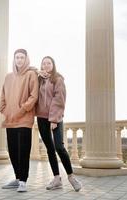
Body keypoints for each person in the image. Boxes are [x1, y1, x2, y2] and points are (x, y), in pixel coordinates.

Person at [36, 56, 82, 192]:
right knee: (49, 149)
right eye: (43, 63)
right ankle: (57, 179)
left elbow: (59, 99)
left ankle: (71, 177)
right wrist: (38, 72)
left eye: (48, 63)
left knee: (59, 147)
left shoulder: (58, 79)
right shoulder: (39, 79)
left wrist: (54, 119)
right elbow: (29, 69)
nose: (46, 65)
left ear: (53, 64)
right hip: (41, 118)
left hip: (55, 118)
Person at [0, 48, 38, 192]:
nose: (19, 60)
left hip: (24, 119)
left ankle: (23, 181)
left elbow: (33, 96)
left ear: (26, 59)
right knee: (12, 151)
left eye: (22, 57)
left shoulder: (31, 75)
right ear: (14, 59)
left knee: (23, 151)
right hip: (10, 119)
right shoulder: (8, 77)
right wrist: (4, 110)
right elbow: (2, 96)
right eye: (17, 57)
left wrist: (21, 110)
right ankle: (17, 178)